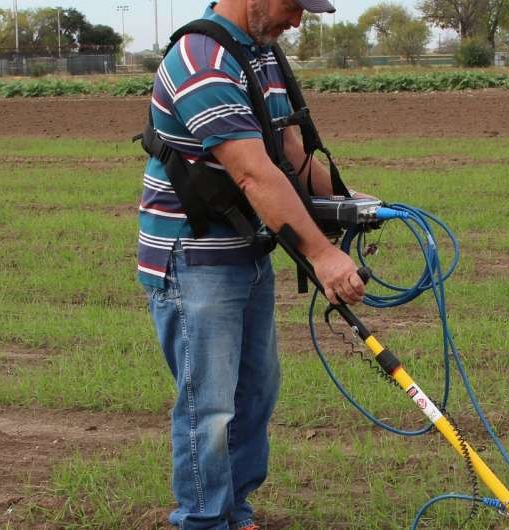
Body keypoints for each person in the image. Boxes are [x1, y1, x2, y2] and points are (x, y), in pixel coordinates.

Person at [138, 1, 366, 529]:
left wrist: (354, 204)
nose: (298, 20)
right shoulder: (201, 59)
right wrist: (322, 254)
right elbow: (254, 173)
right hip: (194, 260)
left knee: (255, 394)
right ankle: (204, 520)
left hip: (247, 249)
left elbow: (289, 152)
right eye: (293, 5)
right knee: (210, 407)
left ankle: (235, 512)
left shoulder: (260, 53)